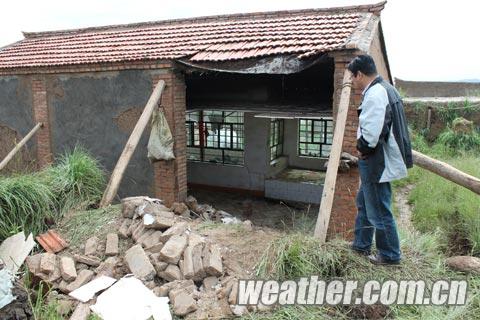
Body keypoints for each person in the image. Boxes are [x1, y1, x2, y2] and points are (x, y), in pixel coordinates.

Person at [347, 54, 413, 265]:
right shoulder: (386, 88)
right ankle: (361, 245)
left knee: (378, 209)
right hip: (381, 158)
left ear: (359, 74)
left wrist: (362, 149)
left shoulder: (375, 94)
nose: (353, 82)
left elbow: (371, 135)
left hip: (377, 161)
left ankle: (390, 254)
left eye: (353, 77)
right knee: (365, 203)